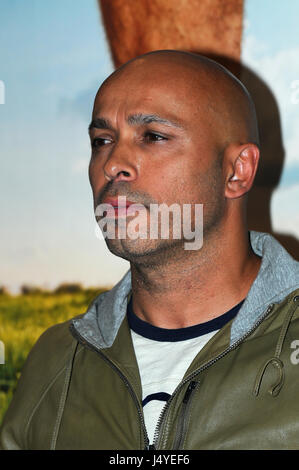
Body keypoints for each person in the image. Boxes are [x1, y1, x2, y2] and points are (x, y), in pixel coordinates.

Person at [1, 50, 299, 450]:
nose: (113, 164)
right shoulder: (57, 360)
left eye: (154, 136)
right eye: (101, 140)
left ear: (237, 170)